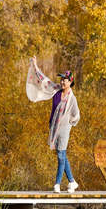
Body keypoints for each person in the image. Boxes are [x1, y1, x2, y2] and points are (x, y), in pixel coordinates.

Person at [26, 57, 81, 193]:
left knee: (60, 155)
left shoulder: (72, 99)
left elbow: (76, 115)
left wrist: (69, 123)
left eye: (65, 80)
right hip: (54, 127)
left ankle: (57, 184)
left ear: (70, 82)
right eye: (61, 79)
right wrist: (35, 65)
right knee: (62, 154)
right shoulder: (56, 90)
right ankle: (72, 182)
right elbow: (44, 81)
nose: (62, 82)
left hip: (64, 129)